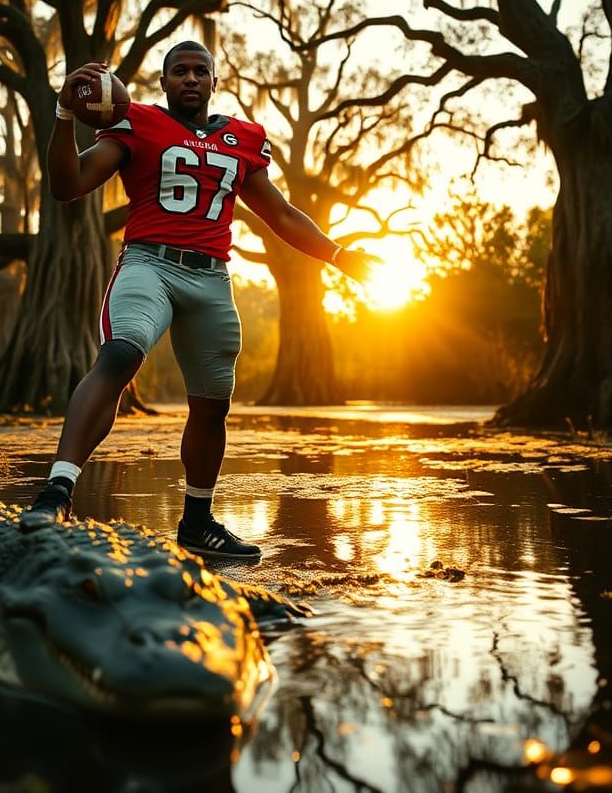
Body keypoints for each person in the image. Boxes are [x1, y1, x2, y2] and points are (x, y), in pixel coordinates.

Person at [26, 40, 378, 558]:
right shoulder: (137, 122)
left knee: (213, 406)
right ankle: (57, 490)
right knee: (121, 354)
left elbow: (279, 214)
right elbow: (67, 184)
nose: (190, 79)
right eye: (179, 71)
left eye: (200, 71)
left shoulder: (243, 138)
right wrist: (62, 114)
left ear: (214, 81)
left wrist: (338, 254)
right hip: (149, 264)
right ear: (164, 82)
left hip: (212, 279)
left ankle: (196, 521)